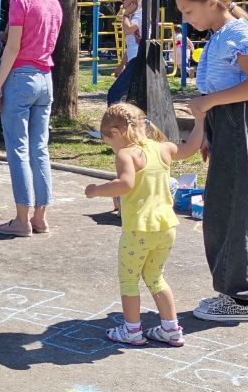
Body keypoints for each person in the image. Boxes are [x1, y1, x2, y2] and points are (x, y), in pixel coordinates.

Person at [172, 0, 248, 323]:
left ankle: (238, 298)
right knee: (224, 208)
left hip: (241, 123)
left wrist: (209, 103)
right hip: (230, 125)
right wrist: (211, 131)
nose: (186, 19)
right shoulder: (222, 34)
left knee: (227, 212)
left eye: (188, 11)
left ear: (213, 3)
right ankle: (238, 291)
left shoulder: (237, 34)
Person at [85, 103, 205, 346]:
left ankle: (132, 331)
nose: (111, 147)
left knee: (129, 280)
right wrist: (200, 122)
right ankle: (171, 329)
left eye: (109, 141)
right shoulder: (163, 148)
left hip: (139, 229)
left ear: (117, 133)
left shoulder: (126, 154)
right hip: (166, 228)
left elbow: (125, 184)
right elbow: (191, 148)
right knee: (155, 277)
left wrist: (96, 190)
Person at [0, 0, 63, 238]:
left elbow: (12, 46)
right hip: (46, 78)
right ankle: (40, 217)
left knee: (18, 150)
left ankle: (21, 219)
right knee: (39, 149)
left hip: (21, 78)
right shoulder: (54, 3)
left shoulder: (21, 0)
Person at [107, 0, 143, 106]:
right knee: (134, 100)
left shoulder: (140, 13)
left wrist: (126, 14)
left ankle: (114, 124)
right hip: (135, 60)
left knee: (113, 94)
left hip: (139, 61)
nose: (121, 1)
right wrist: (121, 65)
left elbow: (129, 29)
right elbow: (132, 46)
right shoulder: (133, 15)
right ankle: (124, 124)